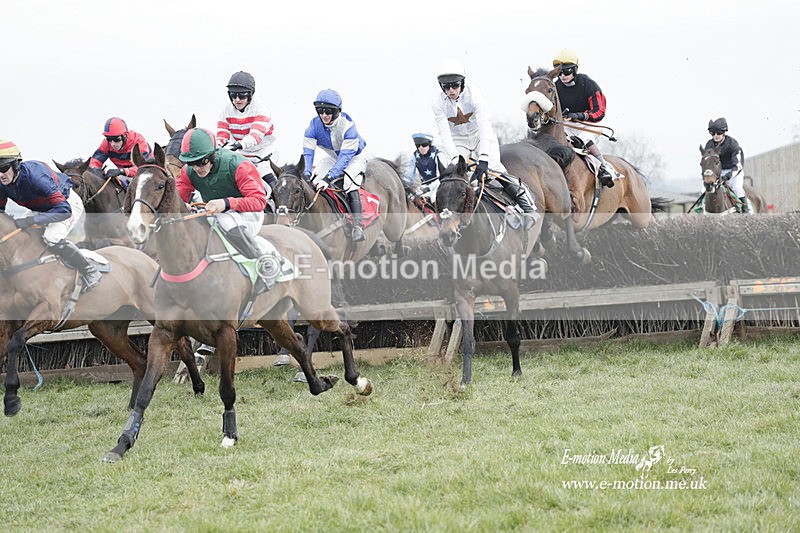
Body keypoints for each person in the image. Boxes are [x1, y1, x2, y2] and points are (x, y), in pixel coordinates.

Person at [176, 127, 270, 366]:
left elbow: (259, 201)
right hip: (214, 211)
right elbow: (179, 197)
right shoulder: (189, 171)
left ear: (213, 155)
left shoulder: (238, 165)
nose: (197, 168)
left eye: (201, 162)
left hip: (247, 214)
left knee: (225, 221)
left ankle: (262, 266)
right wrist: (183, 206)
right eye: (192, 163)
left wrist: (227, 203)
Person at [432, 58, 536, 229]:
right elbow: (444, 134)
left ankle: (528, 207)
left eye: (455, 85)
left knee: (495, 169)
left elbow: (484, 127)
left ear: (462, 83)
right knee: (453, 178)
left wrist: (484, 159)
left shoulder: (475, 96)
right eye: (446, 86)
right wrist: (454, 160)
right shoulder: (437, 102)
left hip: (481, 136)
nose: (451, 90)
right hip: (458, 141)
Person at [0, 139, 102, 291]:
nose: (0, 174)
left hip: (66, 205)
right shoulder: (2, 183)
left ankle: (89, 270)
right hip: (41, 208)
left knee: (51, 237)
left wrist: (30, 221)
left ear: (16, 165)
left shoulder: (36, 177)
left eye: (3, 168)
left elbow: (64, 210)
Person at [302, 88, 368, 242]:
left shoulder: (348, 127)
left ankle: (358, 226)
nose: (324, 115)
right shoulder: (313, 126)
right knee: (314, 181)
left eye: (329, 111)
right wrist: (306, 172)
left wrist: (329, 177)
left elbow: (345, 159)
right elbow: (308, 153)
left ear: (337, 111)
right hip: (332, 157)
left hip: (354, 158)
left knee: (348, 184)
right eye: (321, 111)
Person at [552, 48, 619, 187]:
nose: (563, 76)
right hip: (567, 125)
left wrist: (581, 115)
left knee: (583, 138)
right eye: (560, 72)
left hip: (588, 125)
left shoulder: (587, 84)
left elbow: (599, 111)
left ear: (575, 69)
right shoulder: (556, 87)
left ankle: (603, 168)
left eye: (567, 71)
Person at [216, 71, 279, 196]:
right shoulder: (226, 110)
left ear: (250, 95)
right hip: (242, 153)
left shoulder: (261, 108)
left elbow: (256, 135)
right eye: (233, 96)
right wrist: (216, 148)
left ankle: (279, 210)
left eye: (242, 96)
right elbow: (222, 135)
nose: (237, 100)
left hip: (264, 153)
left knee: (268, 181)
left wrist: (238, 145)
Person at [89, 117, 152, 186]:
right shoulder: (106, 144)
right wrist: (98, 172)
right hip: (126, 175)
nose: (112, 143)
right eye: (109, 139)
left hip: (148, 173)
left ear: (125, 135)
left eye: (117, 139)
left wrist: (121, 171)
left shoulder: (138, 141)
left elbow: (143, 168)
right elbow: (94, 163)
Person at [705, 117, 748, 213]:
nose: (716, 136)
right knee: (704, 189)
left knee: (737, 188)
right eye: (713, 133)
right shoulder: (709, 145)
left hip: (734, 171)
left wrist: (727, 177)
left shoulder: (732, 144)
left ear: (724, 133)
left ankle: (746, 212)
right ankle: (703, 210)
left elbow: (738, 166)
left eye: (719, 133)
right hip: (718, 172)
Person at [403, 132, 444, 202]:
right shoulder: (415, 156)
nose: (421, 148)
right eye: (418, 145)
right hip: (424, 186)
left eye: (424, 145)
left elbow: (441, 178)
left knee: (434, 198)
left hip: (439, 185)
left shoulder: (439, 155)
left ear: (430, 144)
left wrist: (428, 188)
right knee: (411, 198)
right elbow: (408, 177)